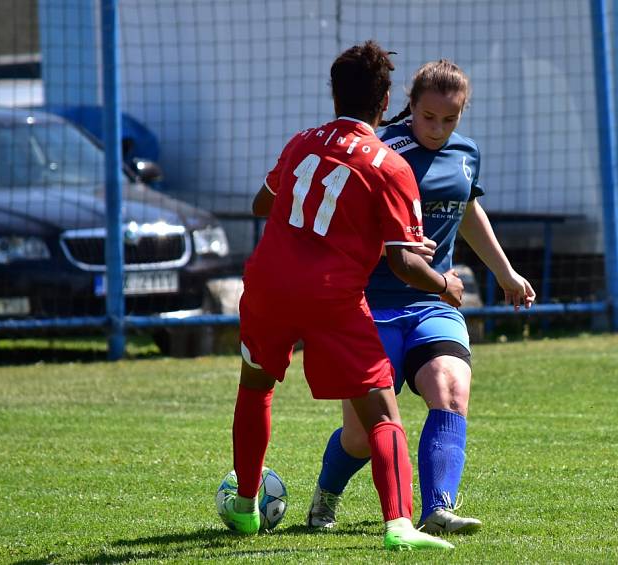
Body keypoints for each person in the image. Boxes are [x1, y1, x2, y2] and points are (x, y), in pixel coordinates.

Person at [222, 41, 464, 551]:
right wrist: (445, 283)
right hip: (332, 295)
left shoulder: (301, 143)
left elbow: (261, 205)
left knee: (256, 388)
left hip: (268, 284)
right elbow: (403, 263)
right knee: (381, 414)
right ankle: (399, 525)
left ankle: (244, 508)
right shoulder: (390, 165)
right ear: (385, 104)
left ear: (334, 94)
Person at [306, 59, 536, 534]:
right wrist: (393, 241)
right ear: (408, 105)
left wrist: (506, 272)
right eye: (429, 117)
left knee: (450, 391)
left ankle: (437, 510)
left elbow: (467, 210)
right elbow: (343, 217)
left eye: (450, 119)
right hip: (369, 306)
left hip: (434, 302)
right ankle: (326, 496)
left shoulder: (466, 153)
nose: (438, 129)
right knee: (362, 435)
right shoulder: (382, 151)